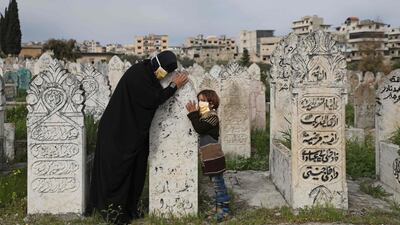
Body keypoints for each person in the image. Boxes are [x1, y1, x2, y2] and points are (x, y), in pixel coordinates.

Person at [87, 51, 188, 225]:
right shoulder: (138, 74)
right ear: (157, 65)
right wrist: (173, 86)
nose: (163, 75)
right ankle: (112, 212)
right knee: (117, 172)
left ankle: (130, 209)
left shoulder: (147, 73)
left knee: (137, 171)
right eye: (164, 71)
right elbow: (153, 99)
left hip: (133, 133)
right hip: (117, 132)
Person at [186, 90, 230, 222]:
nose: (200, 103)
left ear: (212, 103)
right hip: (207, 157)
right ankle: (218, 208)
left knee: (219, 185)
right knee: (215, 184)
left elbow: (199, 128)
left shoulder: (212, 117)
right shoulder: (204, 116)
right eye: (199, 100)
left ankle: (225, 211)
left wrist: (193, 113)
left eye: (203, 100)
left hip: (214, 157)